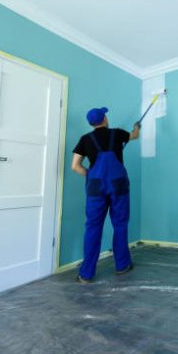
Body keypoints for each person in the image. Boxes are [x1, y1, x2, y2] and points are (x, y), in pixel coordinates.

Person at [71, 107, 140, 283]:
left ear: (91, 123)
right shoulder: (117, 134)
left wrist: (92, 174)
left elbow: (75, 166)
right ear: (105, 119)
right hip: (118, 186)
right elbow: (134, 136)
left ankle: (86, 274)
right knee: (120, 224)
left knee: (93, 227)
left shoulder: (85, 139)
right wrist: (137, 127)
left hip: (95, 187)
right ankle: (122, 265)